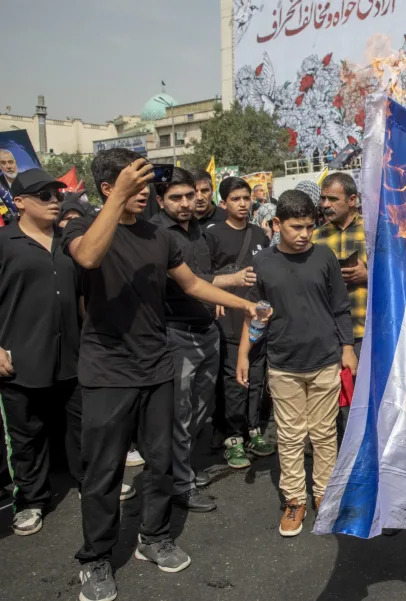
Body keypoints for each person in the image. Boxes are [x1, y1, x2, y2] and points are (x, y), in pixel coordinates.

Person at [63, 148, 258, 601]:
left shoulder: (159, 236)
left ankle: (154, 537)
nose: (147, 192)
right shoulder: (81, 227)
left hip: (157, 363)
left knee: (162, 460)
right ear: (109, 189)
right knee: (104, 471)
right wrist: (115, 203)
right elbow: (88, 258)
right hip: (107, 371)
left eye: (148, 182)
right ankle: (96, 558)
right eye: (137, 183)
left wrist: (242, 303)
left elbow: (192, 284)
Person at [238, 190, 356, 537]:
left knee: (324, 434)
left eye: (309, 226)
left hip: (325, 362)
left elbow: (340, 308)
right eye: (295, 227)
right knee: (289, 437)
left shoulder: (325, 257)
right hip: (283, 364)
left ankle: (324, 493)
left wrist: (347, 348)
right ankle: (294, 499)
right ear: (277, 225)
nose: (304, 234)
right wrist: (243, 354)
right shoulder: (262, 264)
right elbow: (255, 315)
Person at [151, 167, 258, 512]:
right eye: (176, 197)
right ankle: (180, 484)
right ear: (160, 200)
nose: (187, 202)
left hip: (207, 330)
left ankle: (181, 468)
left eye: (191, 195)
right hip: (176, 333)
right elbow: (193, 282)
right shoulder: (156, 234)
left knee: (202, 408)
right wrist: (231, 285)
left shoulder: (198, 230)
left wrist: (216, 302)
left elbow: (205, 281)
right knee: (180, 413)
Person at [0, 169, 83, 536]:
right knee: (26, 435)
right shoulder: (4, 243)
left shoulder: (70, 240)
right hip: (21, 358)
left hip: (73, 355)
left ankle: (89, 484)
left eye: (57, 194)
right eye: (45, 195)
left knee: (81, 426)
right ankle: (31, 500)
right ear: (18, 202)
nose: (55, 201)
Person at [206, 177, 274, 469]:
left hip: (258, 318)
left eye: (246, 198)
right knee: (235, 379)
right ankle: (232, 438)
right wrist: (217, 297)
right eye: (236, 199)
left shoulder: (260, 234)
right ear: (223, 204)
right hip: (229, 320)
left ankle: (254, 431)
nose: (243, 203)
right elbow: (203, 278)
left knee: (257, 378)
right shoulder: (213, 235)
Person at [311, 173, 366, 441]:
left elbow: (402, 275)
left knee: (366, 400)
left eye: (333, 198)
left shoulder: (374, 232)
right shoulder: (314, 238)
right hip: (330, 336)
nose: (324, 204)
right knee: (337, 401)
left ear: (353, 200)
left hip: (369, 333)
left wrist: (368, 275)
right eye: (323, 198)